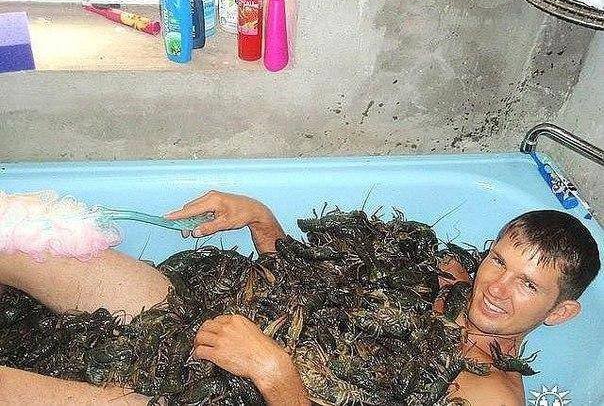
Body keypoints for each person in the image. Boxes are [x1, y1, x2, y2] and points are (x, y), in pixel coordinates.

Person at [0, 191, 600, 406]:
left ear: (560, 312)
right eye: (499, 261)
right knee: (40, 250)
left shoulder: (489, 397)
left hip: (224, 397)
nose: (495, 288)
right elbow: (319, 286)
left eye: (528, 285)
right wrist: (263, 223)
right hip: (213, 315)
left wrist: (273, 373)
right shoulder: (444, 277)